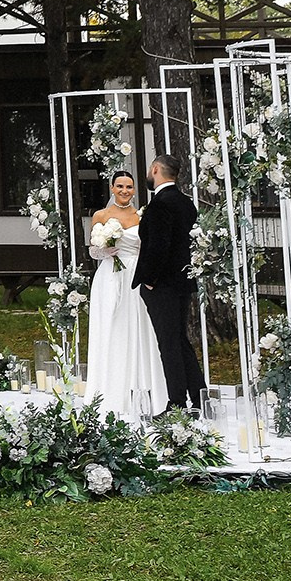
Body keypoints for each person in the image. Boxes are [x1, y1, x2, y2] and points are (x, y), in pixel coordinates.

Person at [83, 171, 167, 423]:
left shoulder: (141, 215)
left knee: (137, 327)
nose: (124, 191)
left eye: (129, 187)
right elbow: (93, 251)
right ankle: (108, 390)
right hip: (109, 275)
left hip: (134, 273)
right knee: (111, 327)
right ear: (112, 188)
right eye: (119, 186)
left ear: (134, 190)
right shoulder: (100, 215)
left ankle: (140, 387)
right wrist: (104, 249)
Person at [132, 154, 208, 414]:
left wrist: (149, 280)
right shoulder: (186, 203)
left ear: (155, 169)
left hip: (162, 285)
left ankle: (176, 402)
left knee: (169, 344)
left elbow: (159, 246)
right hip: (182, 282)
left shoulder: (160, 204)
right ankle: (199, 397)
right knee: (179, 340)